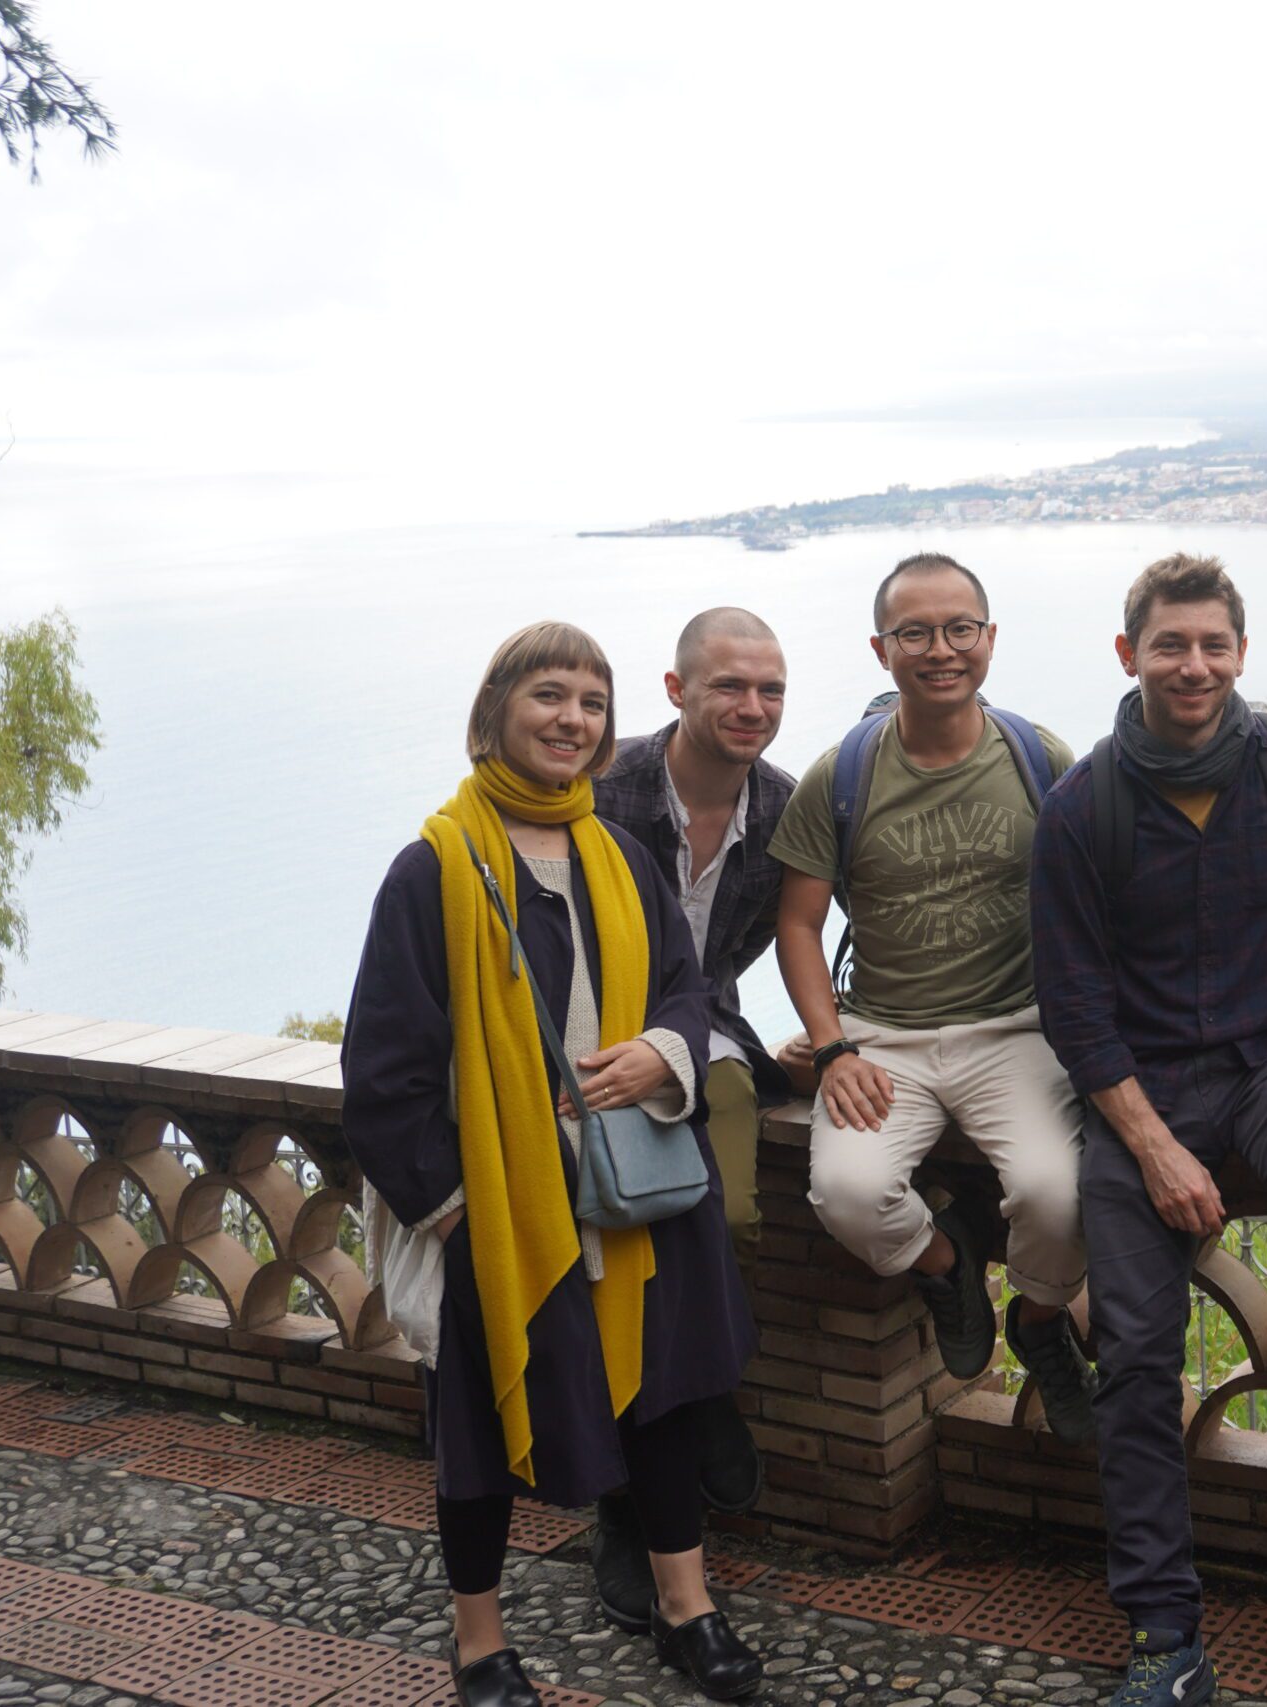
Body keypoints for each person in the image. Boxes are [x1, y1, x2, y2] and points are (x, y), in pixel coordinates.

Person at [342, 622, 764, 1706]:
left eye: (590, 702)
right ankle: (479, 1643)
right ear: (497, 712)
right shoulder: (430, 869)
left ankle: (686, 1608)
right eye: (549, 696)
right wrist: (457, 1220)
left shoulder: (615, 856)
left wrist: (662, 1054)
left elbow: (688, 990)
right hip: (499, 1204)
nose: (571, 720)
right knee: (475, 1430)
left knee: (662, 1404)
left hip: (635, 1187)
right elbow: (383, 1074)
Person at [1029, 553, 1267, 1707]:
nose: (1191, 665)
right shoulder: (1083, 804)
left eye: (1212, 645)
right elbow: (1072, 1001)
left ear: (1241, 652)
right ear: (1127, 654)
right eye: (1168, 644)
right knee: (1137, 1355)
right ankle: (1161, 1630)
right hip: (1140, 1086)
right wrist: (1149, 1143)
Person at [768, 552, 1099, 1440]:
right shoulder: (839, 776)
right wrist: (831, 1045)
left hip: (1018, 1027)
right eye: (915, 631)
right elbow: (797, 924)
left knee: (1056, 1193)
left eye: (959, 629)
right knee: (847, 1192)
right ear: (882, 650)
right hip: (885, 1035)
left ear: (989, 640)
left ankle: (1036, 1321)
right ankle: (947, 1263)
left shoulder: (1041, 759)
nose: (940, 648)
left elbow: (1095, 895)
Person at [586, 606, 795, 1630]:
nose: (752, 708)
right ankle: (629, 1499)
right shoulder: (604, 788)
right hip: (590, 1053)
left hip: (696, 1035)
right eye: (729, 687)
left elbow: (735, 965)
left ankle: (699, 1399)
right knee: (619, 1262)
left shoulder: (785, 810)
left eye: (770, 691)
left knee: (721, 1222)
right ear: (676, 691)